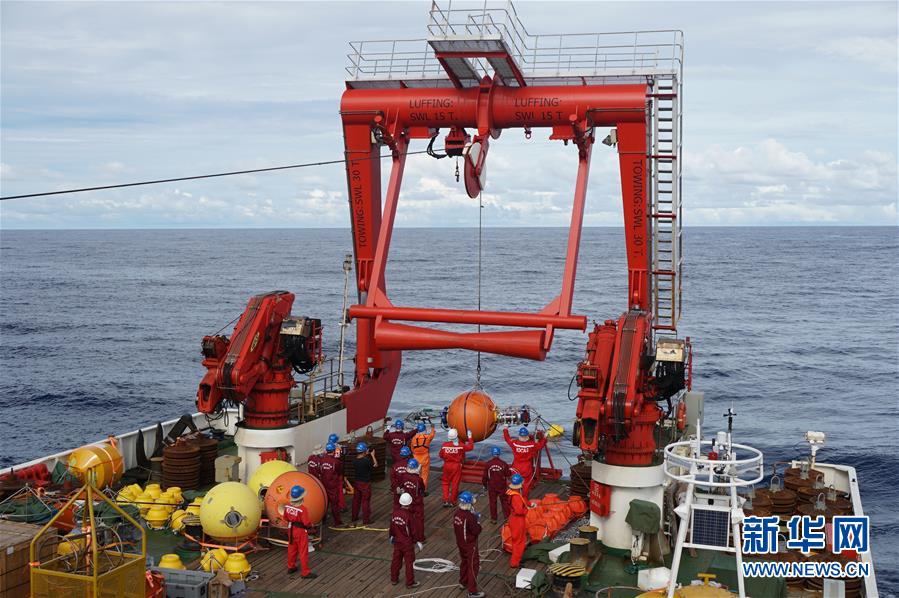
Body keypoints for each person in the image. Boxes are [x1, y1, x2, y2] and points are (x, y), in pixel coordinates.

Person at [279, 485, 317, 579]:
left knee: (292, 549)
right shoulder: (302, 509)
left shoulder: (287, 506)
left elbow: (285, 518)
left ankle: (291, 567)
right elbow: (306, 523)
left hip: (291, 529)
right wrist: (311, 527)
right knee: (303, 551)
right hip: (300, 532)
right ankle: (305, 573)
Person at [453, 491, 484, 598]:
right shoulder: (469, 516)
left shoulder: (457, 514)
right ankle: (472, 591)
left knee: (464, 562)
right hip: (470, 545)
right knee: (473, 566)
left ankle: (463, 582)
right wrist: (477, 522)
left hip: (461, 543)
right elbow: (476, 531)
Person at [502, 425, 547, 499]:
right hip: (526, 468)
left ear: (519, 435)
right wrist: (544, 437)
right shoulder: (531, 445)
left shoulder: (514, 443)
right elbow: (540, 445)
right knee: (525, 485)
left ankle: (514, 499)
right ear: (527, 436)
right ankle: (524, 500)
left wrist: (505, 429)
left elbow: (507, 439)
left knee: (515, 483)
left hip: (516, 467)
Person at [389, 492, 421, 589]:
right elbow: (413, 531)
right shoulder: (409, 516)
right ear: (409, 503)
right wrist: (416, 541)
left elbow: (392, 528)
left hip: (397, 542)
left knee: (396, 560)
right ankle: (410, 583)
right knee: (409, 562)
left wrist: (391, 536)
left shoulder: (394, 513)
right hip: (407, 543)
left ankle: (394, 579)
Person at [438, 428, 474, 507]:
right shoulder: (460, 446)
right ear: (456, 436)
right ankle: (452, 501)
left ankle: (446, 500)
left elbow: (440, 455)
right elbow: (470, 447)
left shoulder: (444, 445)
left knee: (445, 482)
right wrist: (470, 437)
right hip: (456, 466)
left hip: (447, 465)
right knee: (455, 484)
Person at [399, 458, 426, 543]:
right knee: (419, 521)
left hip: (408, 502)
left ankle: (410, 536)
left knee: (409, 520)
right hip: (417, 503)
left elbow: (402, 486)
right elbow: (422, 489)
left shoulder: (404, 476)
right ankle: (420, 538)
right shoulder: (418, 479)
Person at [482, 446, 511, 523]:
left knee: (492, 502)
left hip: (492, 487)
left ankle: (494, 519)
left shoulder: (488, 464)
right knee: (504, 501)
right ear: (499, 454)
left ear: (492, 454)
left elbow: (485, 477)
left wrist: (485, 486)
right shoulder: (503, 464)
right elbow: (508, 474)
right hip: (502, 486)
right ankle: (507, 517)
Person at [506, 473, 529, 568]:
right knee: (519, 542)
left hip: (513, 518)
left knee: (517, 540)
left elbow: (522, 500)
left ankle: (516, 559)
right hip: (518, 520)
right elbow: (519, 511)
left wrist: (529, 503)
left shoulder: (512, 492)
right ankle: (515, 562)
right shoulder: (516, 497)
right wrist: (527, 509)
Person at [352, 441, 376, 525]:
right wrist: (372, 455)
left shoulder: (354, 460)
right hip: (365, 483)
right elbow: (375, 465)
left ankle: (354, 517)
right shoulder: (367, 461)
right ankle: (366, 520)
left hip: (357, 482)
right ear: (364, 450)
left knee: (356, 500)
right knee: (365, 501)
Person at [320, 443, 344, 526]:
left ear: (326, 450)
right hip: (333, 485)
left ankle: (323, 519)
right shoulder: (336, 462)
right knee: (335, 504)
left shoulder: (322, 460)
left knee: (324, 503)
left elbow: (321, 471)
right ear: (334, 451)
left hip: (324, 484)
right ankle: (337, 522)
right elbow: (339, 472)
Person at [410, 421, 436, 491]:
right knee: (424, 475)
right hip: (425, 459)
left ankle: (415, 488)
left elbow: (412, 449)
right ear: (424, 430)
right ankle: (423, 490)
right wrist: (432, 428)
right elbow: (432, 435)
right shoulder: (427, 437)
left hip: (416, 458)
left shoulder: (414, 438)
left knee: (416, 474)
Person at [327, 434, 348, 512]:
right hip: (337, 473)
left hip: (328, 473)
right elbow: (340, 459)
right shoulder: (339, 448)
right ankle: (341, 506)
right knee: (339, 490)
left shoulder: (327, 448)